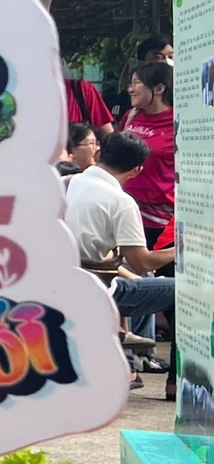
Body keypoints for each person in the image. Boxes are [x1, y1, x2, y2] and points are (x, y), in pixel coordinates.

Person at [64, 131, 174, 355]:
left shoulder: (64, 183)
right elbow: (142, 262)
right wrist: (183, 248)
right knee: (186, 290)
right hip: (97, 289)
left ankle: (132, 359)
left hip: (60, 278)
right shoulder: (121, 202)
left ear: (99, 153)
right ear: (136, 170)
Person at [118, 60, 175, 245]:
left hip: (163, 222)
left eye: (136, 83)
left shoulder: (179, 122)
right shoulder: (131, 116)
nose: (130, 89)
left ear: (159, 88)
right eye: (130, 83)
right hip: (129, 213)